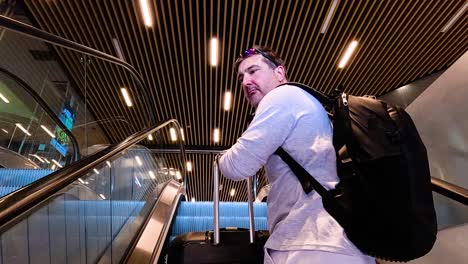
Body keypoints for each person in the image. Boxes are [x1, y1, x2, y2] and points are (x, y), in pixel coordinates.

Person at [218, 46, 374, 264]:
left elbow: (236, 166)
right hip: (336, 241)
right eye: (241, 77)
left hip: (313, 243)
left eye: (253, 71)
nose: (245, 82)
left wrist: (220, 158)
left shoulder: (281, 97)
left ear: (279, 73)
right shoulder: (307, 102)